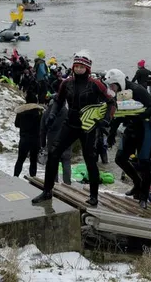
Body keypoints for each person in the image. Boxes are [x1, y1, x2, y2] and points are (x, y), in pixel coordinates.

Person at [32, 51, 116, 207]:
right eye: (76, 66)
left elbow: (112, 101)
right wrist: (52, 114)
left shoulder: (96, 84)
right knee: (53, 153)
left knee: (90, 159)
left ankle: (94, 196)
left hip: (88, 126)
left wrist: (105, 120)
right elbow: (58, 100)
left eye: (81, 67)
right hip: (70, 123)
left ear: (88, 68)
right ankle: (47, 191)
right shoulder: (67, 83)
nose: (78, 69)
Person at [104, 68, 151, 209]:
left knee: (144, 163)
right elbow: (118, 114)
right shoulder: (119, 94)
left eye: (113, 86)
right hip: (130, 128)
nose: (111, 89)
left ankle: (144, 197)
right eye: (110, 86)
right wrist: (111, 133)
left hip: (144, 128)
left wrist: (138, 116)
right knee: (120, 158)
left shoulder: (138, 90)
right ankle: (137, 183)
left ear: (119, 82)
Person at [40, 97, 72, 185]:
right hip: (66, 141)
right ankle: (67, 183)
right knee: (66, 162)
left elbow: (43, 130)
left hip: (52, 143)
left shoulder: (46, 113)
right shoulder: (67, 112)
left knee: (54, 163)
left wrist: (42, 144)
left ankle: (55, 183)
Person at [13, 94, 43, 177]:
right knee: (33, 161)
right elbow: (42, 125)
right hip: (35, 139)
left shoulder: (21, 111)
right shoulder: (39, 112)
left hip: (24, 139)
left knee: (20, 160)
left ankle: (15, 177)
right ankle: (33, 178)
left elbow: (16, 124)